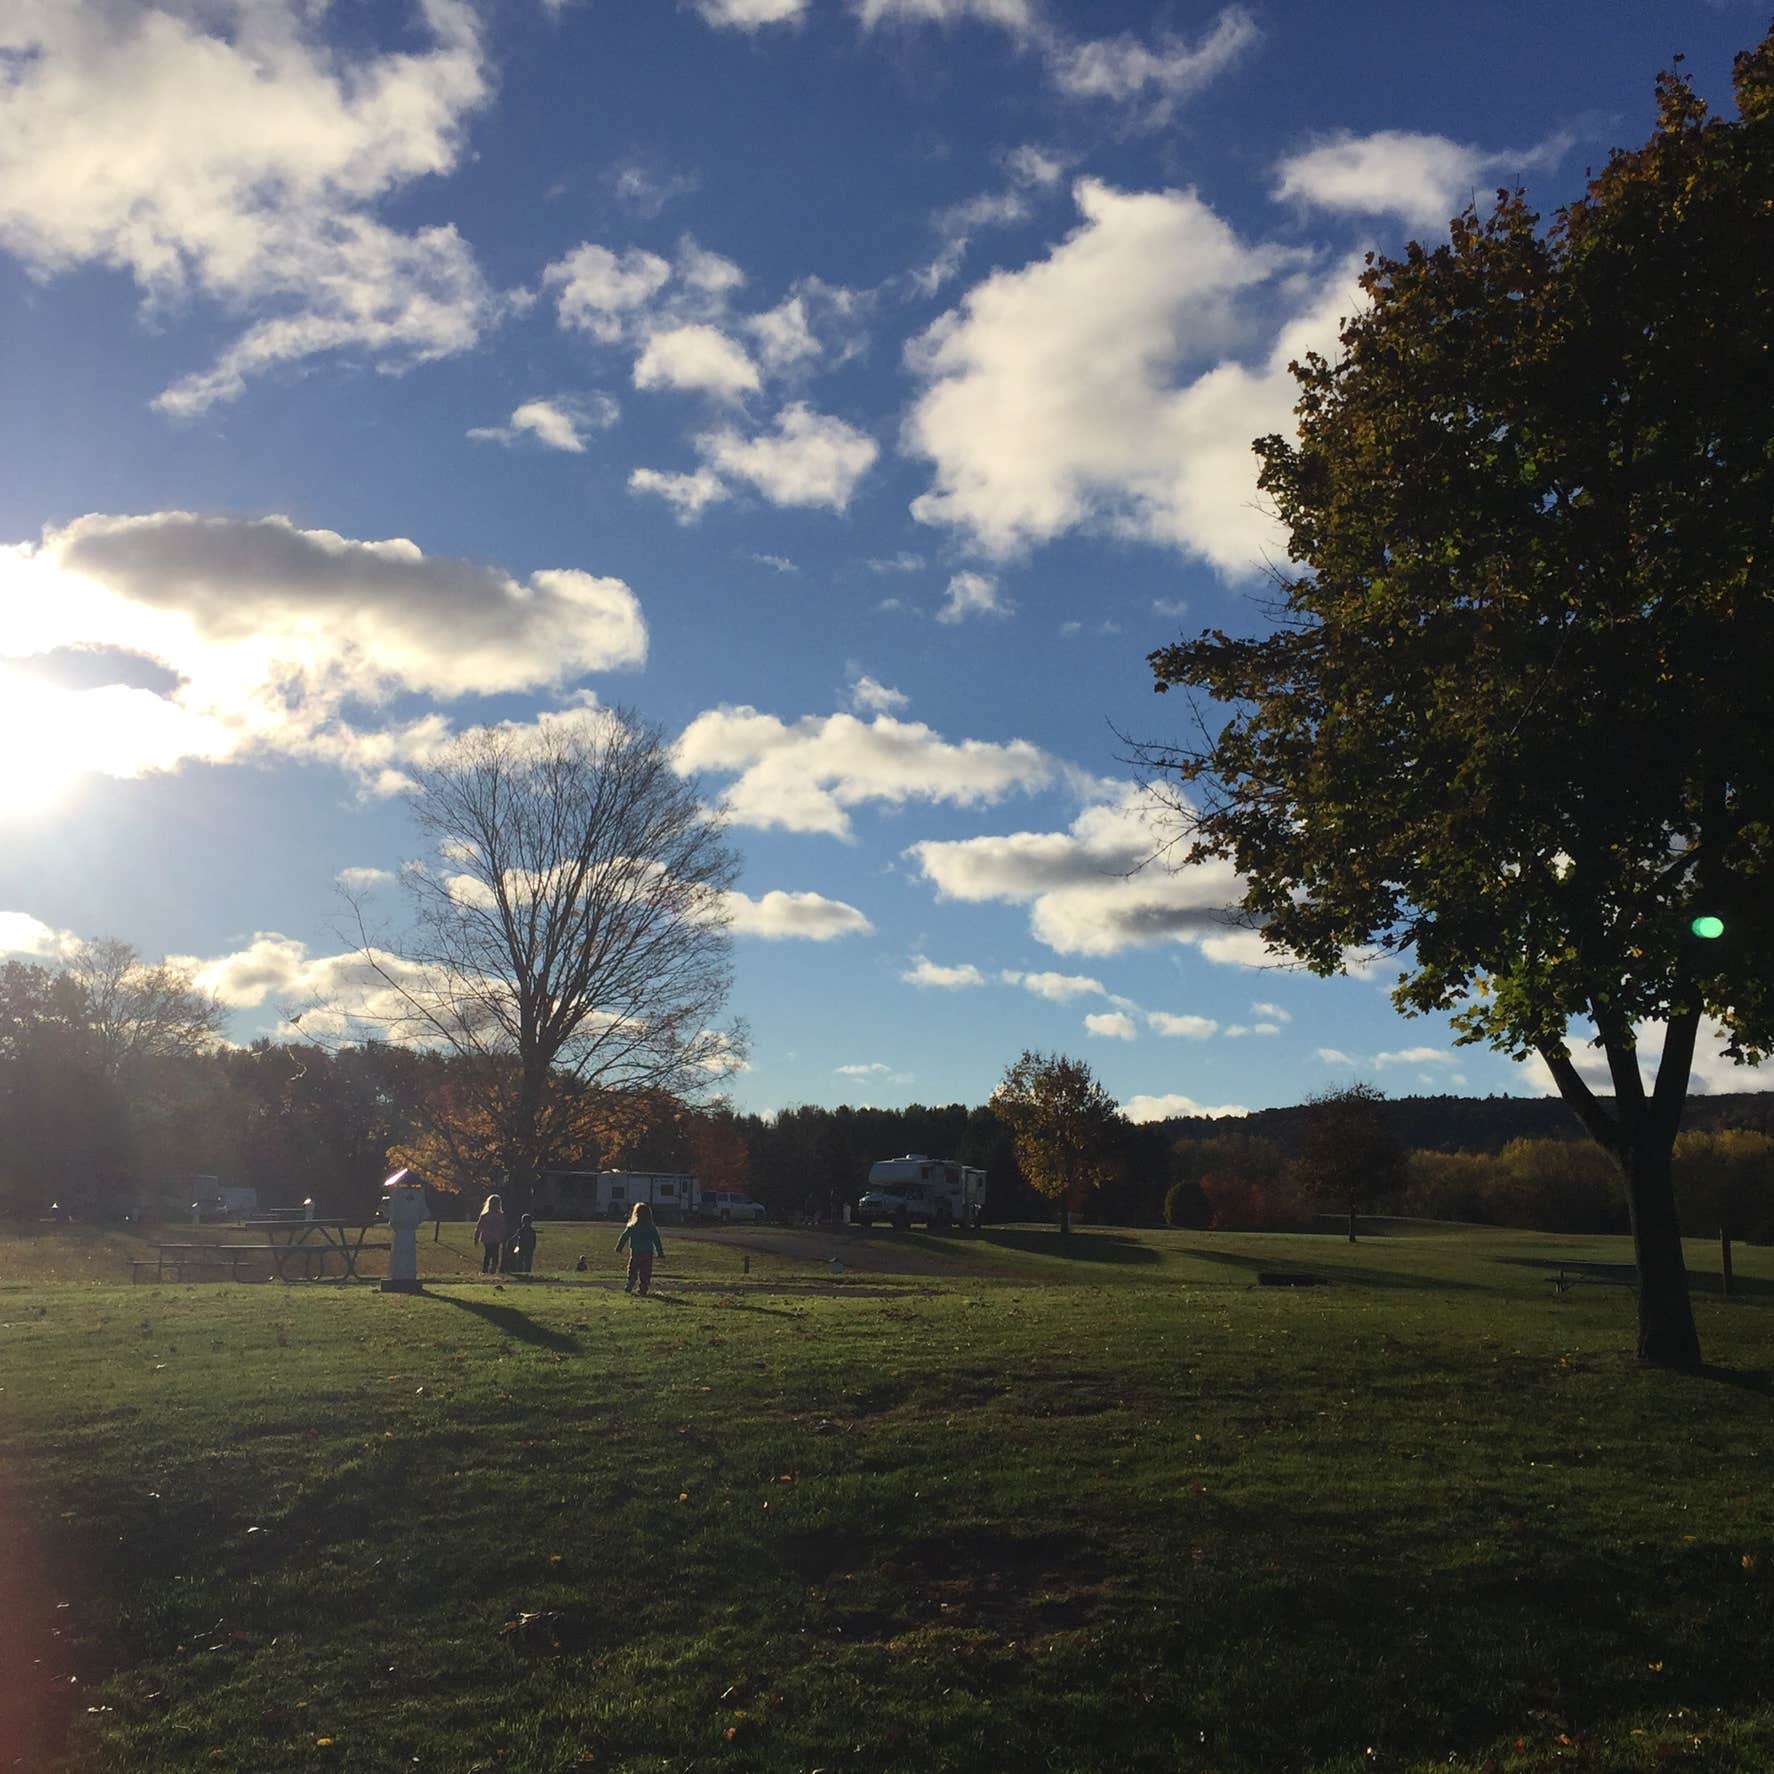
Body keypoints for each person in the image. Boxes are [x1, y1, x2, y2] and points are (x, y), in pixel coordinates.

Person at [615, 1200, 664, 1296]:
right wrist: (660, 1252)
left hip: (636, 1252)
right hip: (648, 1253)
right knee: (645, 1271)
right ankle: (643, 1288)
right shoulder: (651, 1227)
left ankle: (630, 1284)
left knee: (633, 1269)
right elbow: (656, 1240)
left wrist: (619, 1247)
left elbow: (624, 1237)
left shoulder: (632, 1227)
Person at [475, 1192, 507, 1275]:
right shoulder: (499, 1215)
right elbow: (502, 1227)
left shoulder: (486, 1215)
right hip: (494, 1238)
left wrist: (476, 1237)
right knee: (494, 1254)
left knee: (489, 1254)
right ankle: (491, 1269)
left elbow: (479, 1227)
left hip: (488, 1238)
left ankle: (486, 1269)